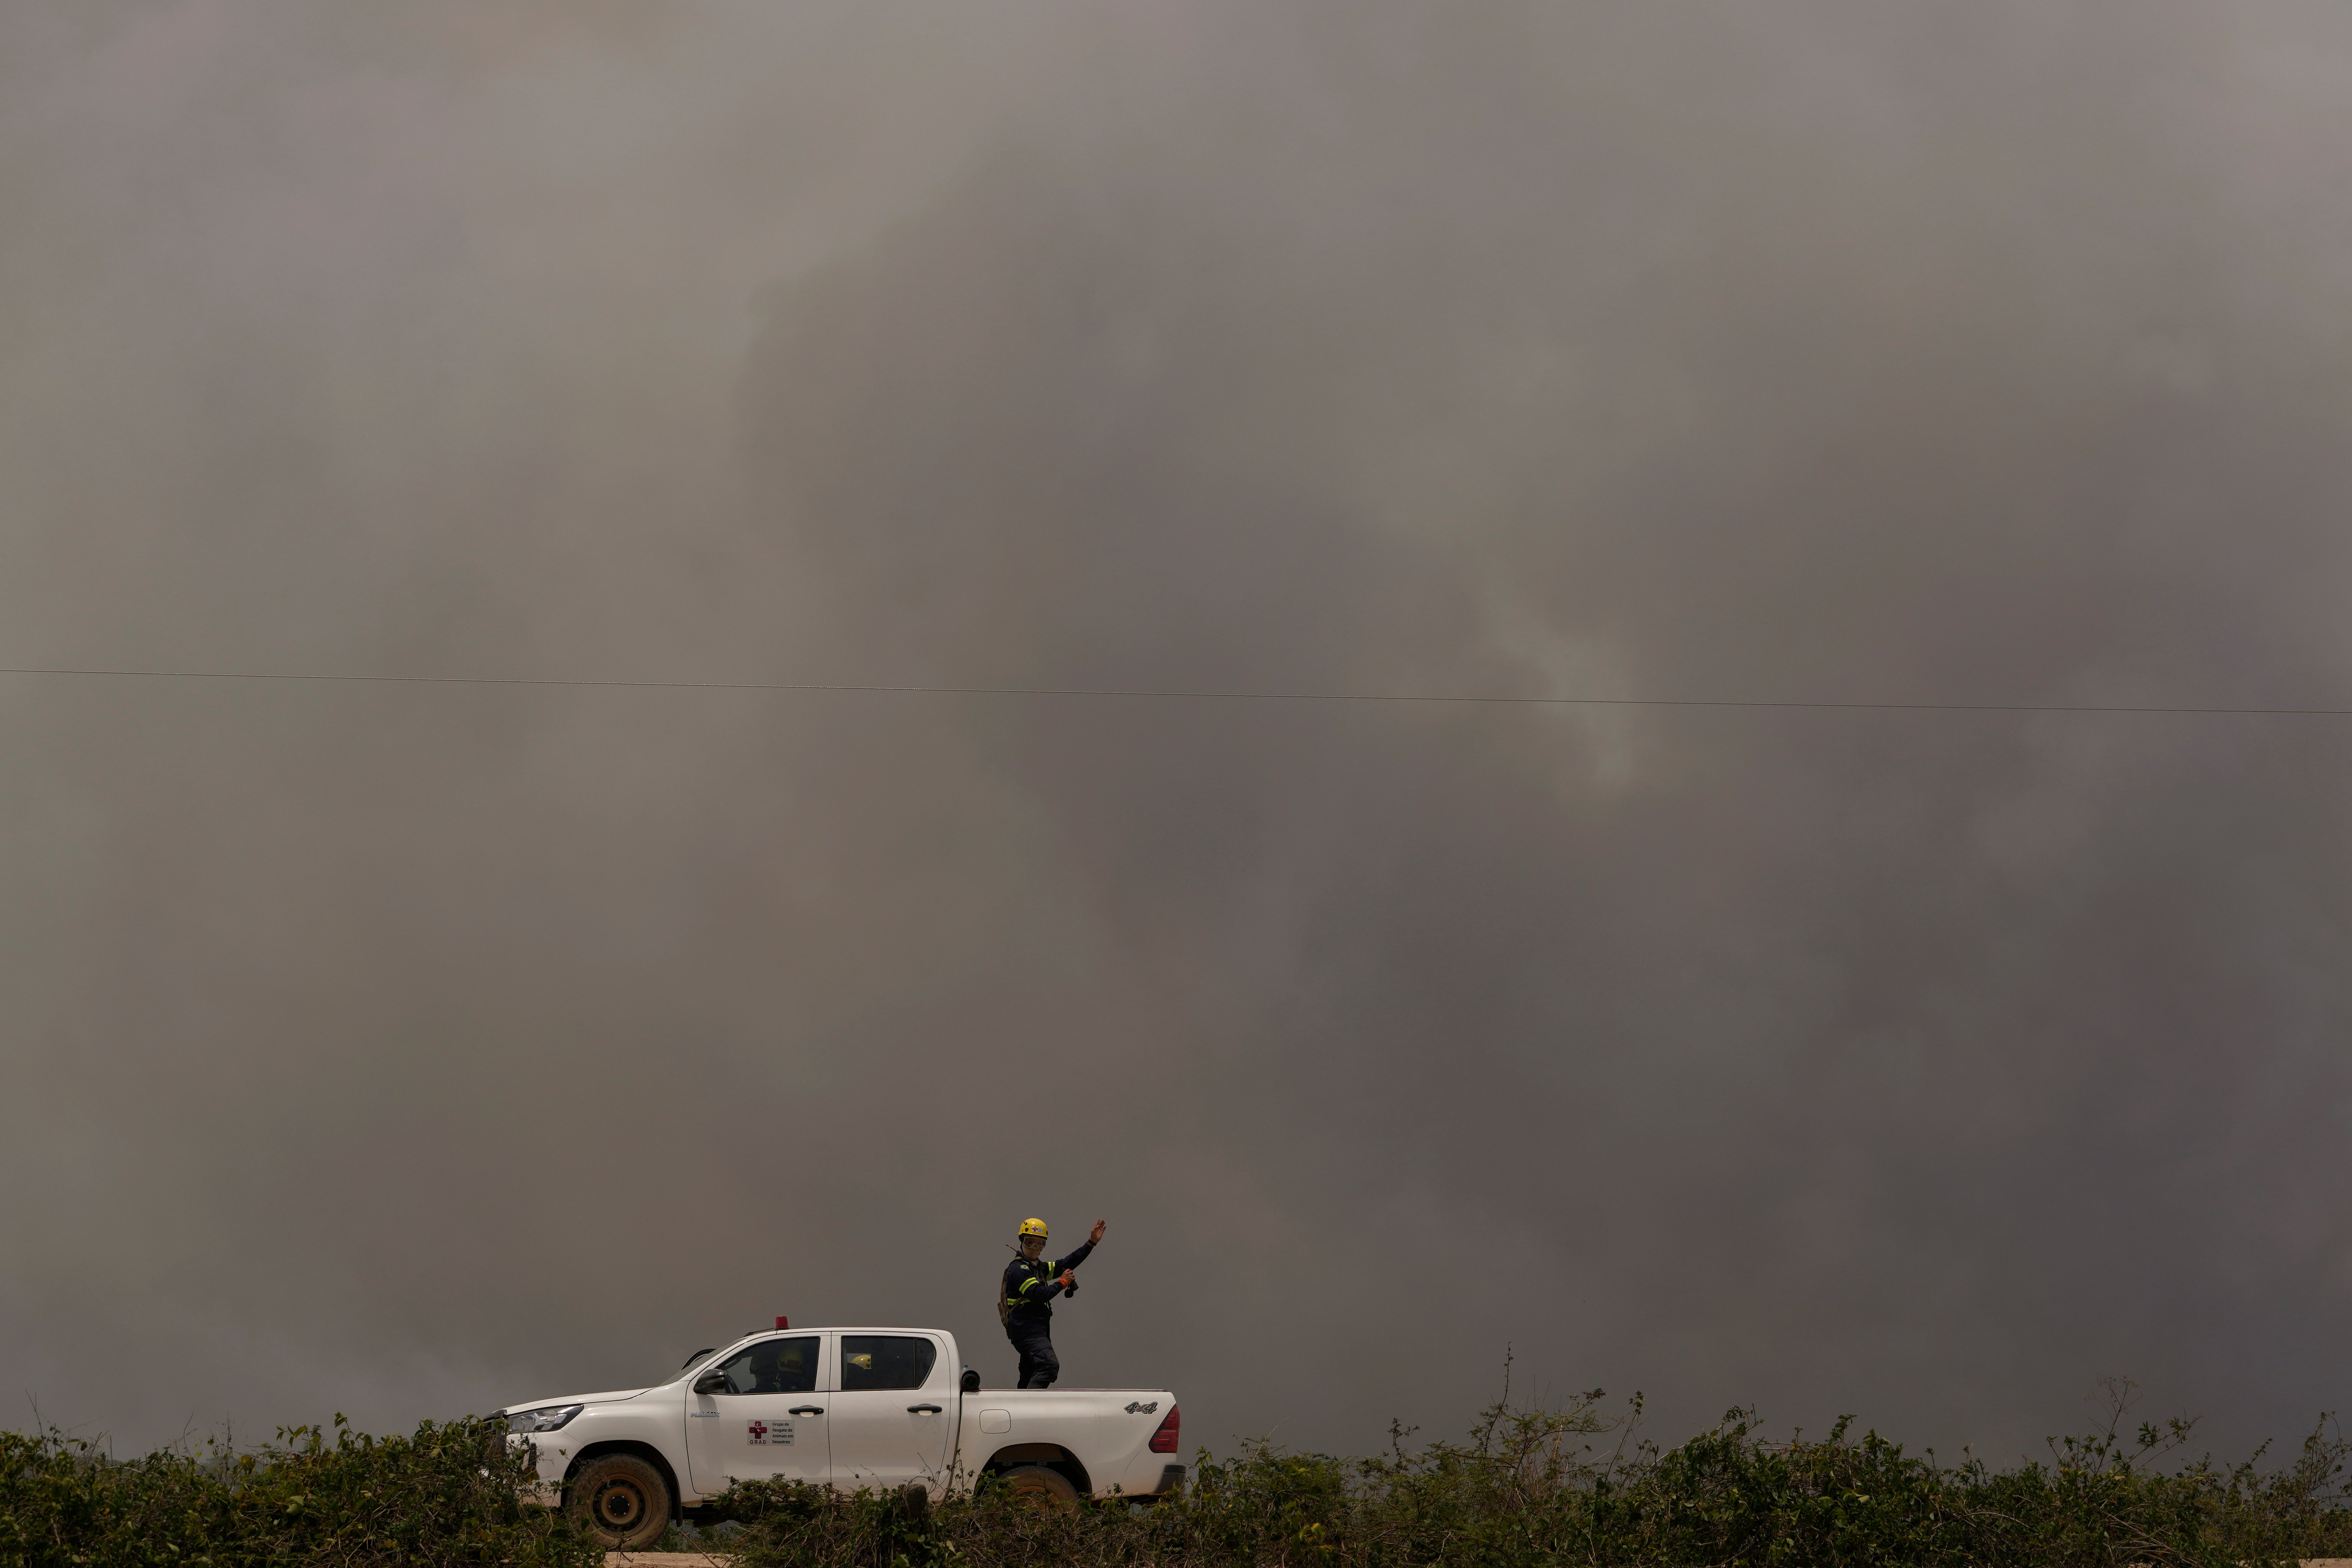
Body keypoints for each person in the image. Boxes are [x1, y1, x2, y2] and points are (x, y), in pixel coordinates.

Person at [999, 1216, 1104, 1389]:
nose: (1035, 1248)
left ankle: (1020, 1409)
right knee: (1049, 1366)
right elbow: (1038, 1295)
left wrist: (1091, 1243)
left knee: (1030, 1374)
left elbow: (1066, 1263)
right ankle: (1030, 1408)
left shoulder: (1036, 1267)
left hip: (1035, 1329)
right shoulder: (1020, 1269)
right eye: (1030, 1242)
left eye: (1040, 1244)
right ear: (1021, 1241)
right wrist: (1062, 1283)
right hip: (1027, 1331)